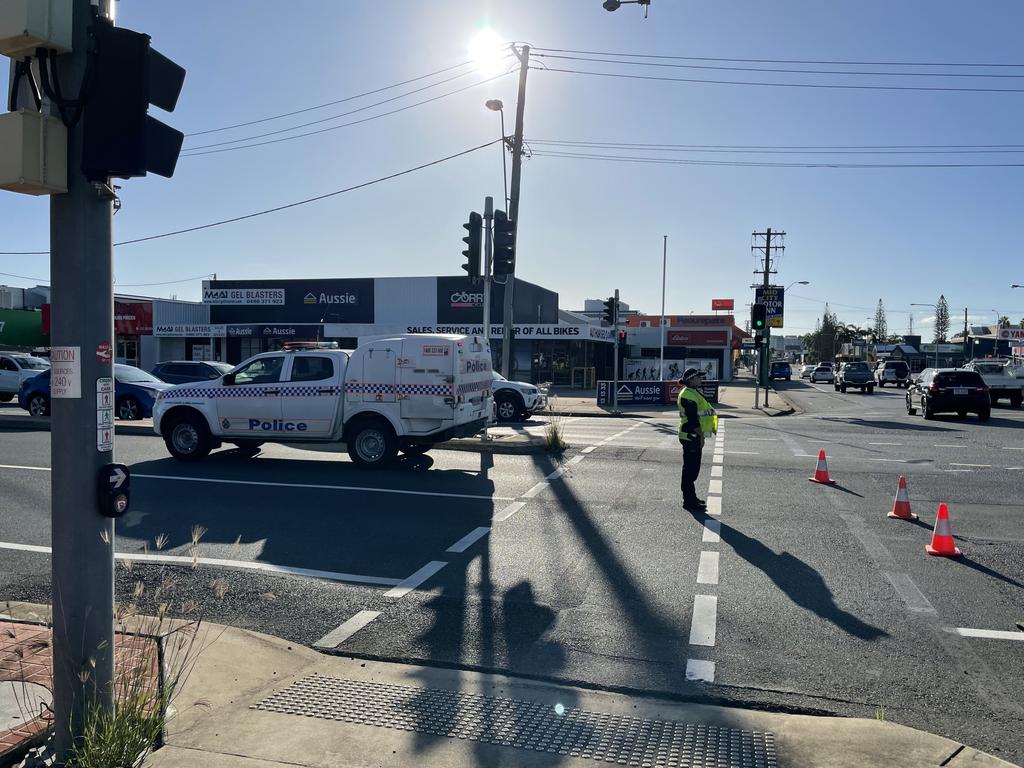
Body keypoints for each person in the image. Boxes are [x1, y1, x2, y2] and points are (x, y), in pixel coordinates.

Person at [677, 367, 718, 511]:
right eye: (699, 377)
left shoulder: (693, 392)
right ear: (691, 379)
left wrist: (711, 428)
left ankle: (691, 498)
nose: (701, 379)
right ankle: (688, 501)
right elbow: (693, 420)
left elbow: (705, 412)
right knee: (690, 470)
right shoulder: (687, 395)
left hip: (693, 436)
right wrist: (701, 437)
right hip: (690, 436)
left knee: (693, 470)